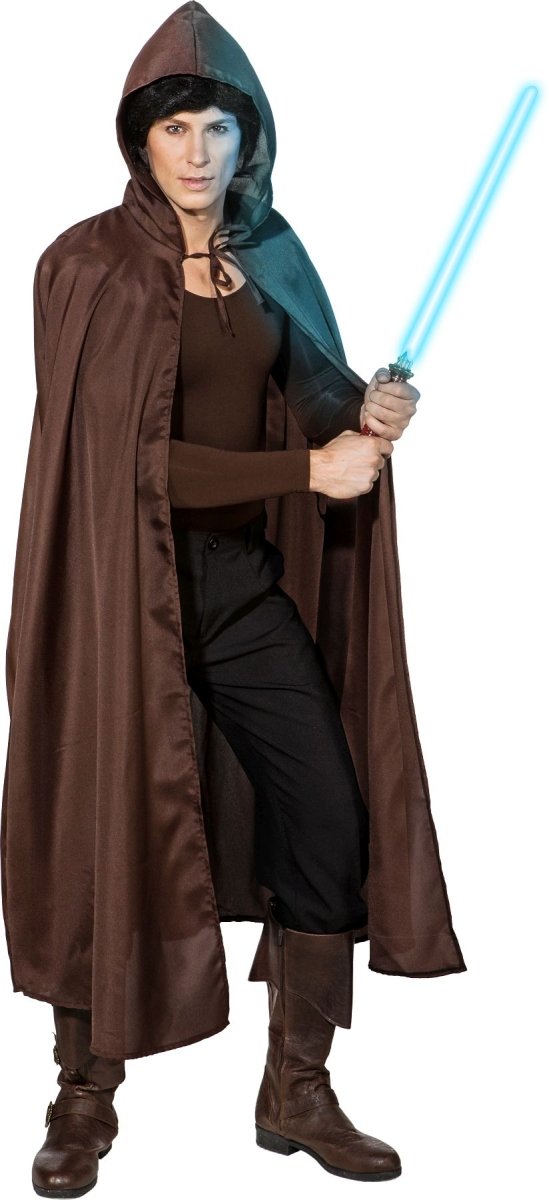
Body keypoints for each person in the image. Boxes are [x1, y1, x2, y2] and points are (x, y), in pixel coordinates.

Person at [1, 4, 466, 1195]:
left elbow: (318, 402)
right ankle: (82, 1097)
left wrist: (368, 411)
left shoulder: (272, 255)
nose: (198, 151)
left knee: (329, 812)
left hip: (240, 589)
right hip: (123, 593)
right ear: (138, 141)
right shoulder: (84, 268)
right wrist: (303, 473)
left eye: (218, 127)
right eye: (175, 129)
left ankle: (295, 1090)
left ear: (249, 137)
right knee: (104, 825)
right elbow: (121, 465)